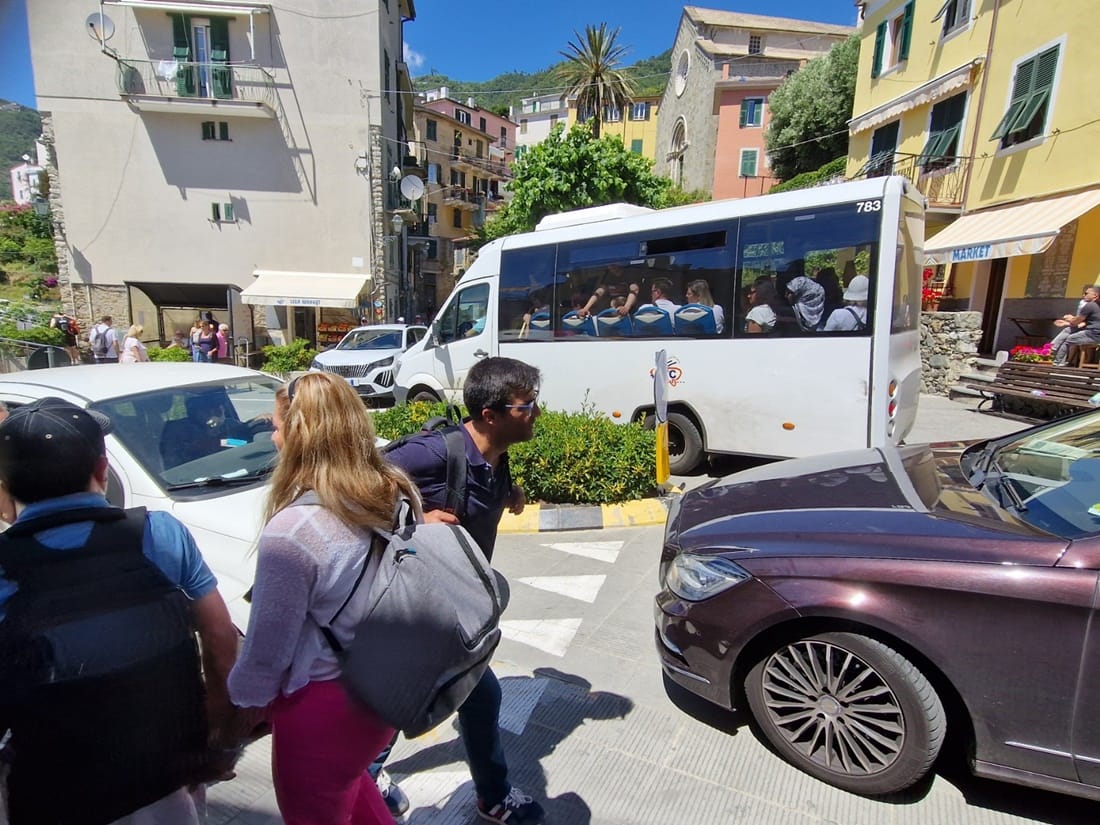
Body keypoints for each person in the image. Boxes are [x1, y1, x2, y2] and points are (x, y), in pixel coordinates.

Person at [0, 397, 244, 824]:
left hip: (57, 791)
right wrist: (221, 740)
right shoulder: (159, 533)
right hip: (167, 774)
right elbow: (221, 640)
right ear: (101, 470)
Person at [228, 372, 423, 825]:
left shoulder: (294, 531)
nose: (273, 436)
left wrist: (227, 714)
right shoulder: (394, 491)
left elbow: (265, 658)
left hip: (322, 709)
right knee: (353, 791)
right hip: (383, 692)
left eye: (277, 426)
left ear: (298, 434)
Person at [378, 357, 545, 825]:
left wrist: (508, 491)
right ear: (490, 414)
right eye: (526, 406)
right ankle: (490, 796)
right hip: (423, 605)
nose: (535, 413)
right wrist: (414, 519)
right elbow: (358, 479)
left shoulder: (497, 450)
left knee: (455, 693)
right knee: (442, 692)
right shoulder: (431, 453)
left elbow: (486, 481)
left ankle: (489, 796)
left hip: (461, 604)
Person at [160, 393, 261, 469]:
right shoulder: (181, 430)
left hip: (235, 468)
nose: (214, 413)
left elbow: (244, 443)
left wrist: (256, 421)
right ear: (194, 412)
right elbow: (203, 448)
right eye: (207, 410)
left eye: (218, 409)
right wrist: (213, 431)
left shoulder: (230, 424)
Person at [1053, 286, 1100, 366]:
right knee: (1069, 330)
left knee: (1067, 340)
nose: (1083, 295)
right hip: (1095, 333)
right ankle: (1052, 347)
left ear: (1095, 295)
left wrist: (1069, 318)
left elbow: (1076, 322)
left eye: (1086, 293)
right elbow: (1083, 322)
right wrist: (1067, 322)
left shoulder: (1090, 306)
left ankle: (1057, 364)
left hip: (1093, 335)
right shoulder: (1096, 306)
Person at [575, 265, 640, 318]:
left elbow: (634, 290)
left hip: (630, 313)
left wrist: (626, 308)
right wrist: (586, 308)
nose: (610, 267)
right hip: (613, 313)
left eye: (613, 264)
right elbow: (600, 291)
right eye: (609, 265)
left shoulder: (629, 274)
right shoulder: (607, 276)